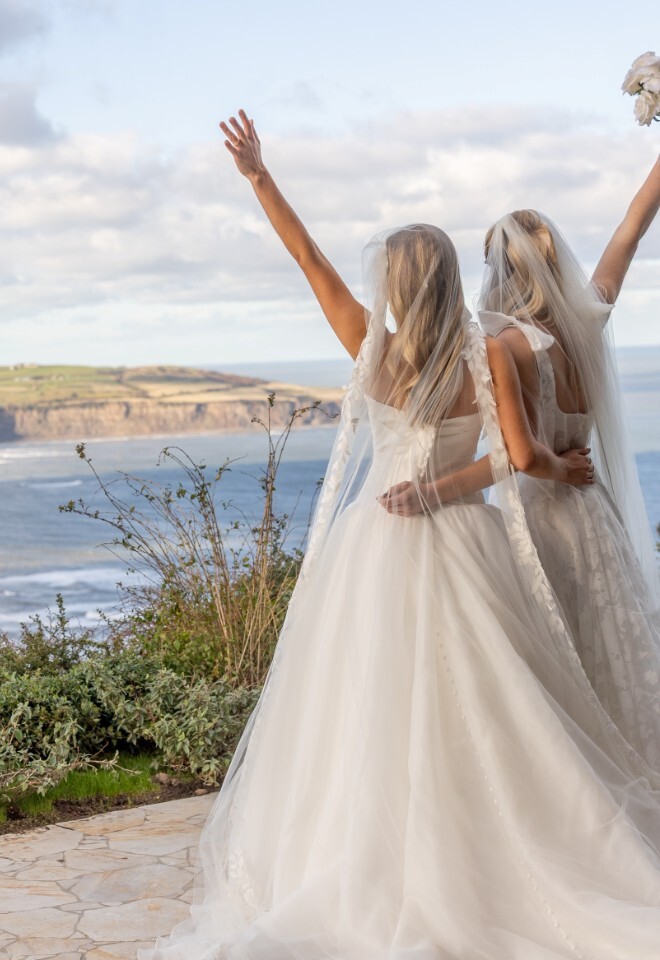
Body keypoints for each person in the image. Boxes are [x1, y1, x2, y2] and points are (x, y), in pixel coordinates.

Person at [140, 116, 660, 960]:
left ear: (390, 286)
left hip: (371, 551)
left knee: (367, 712)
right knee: (494, 712)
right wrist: (457, 487)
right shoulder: (482, 353)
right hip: (469, 544)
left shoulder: (366, 347)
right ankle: (489, 849)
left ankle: (383, 854)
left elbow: (309, 262)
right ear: (455, 278)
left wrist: (260, 178)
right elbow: (511, 459)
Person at [479, 159, 660, 769]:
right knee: (615, 646)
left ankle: (581, 778)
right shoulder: (589, 320)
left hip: (540, 514)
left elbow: (520, 457)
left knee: (557, 658)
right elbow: (630, 230)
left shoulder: (505, 346)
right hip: (592, 509)